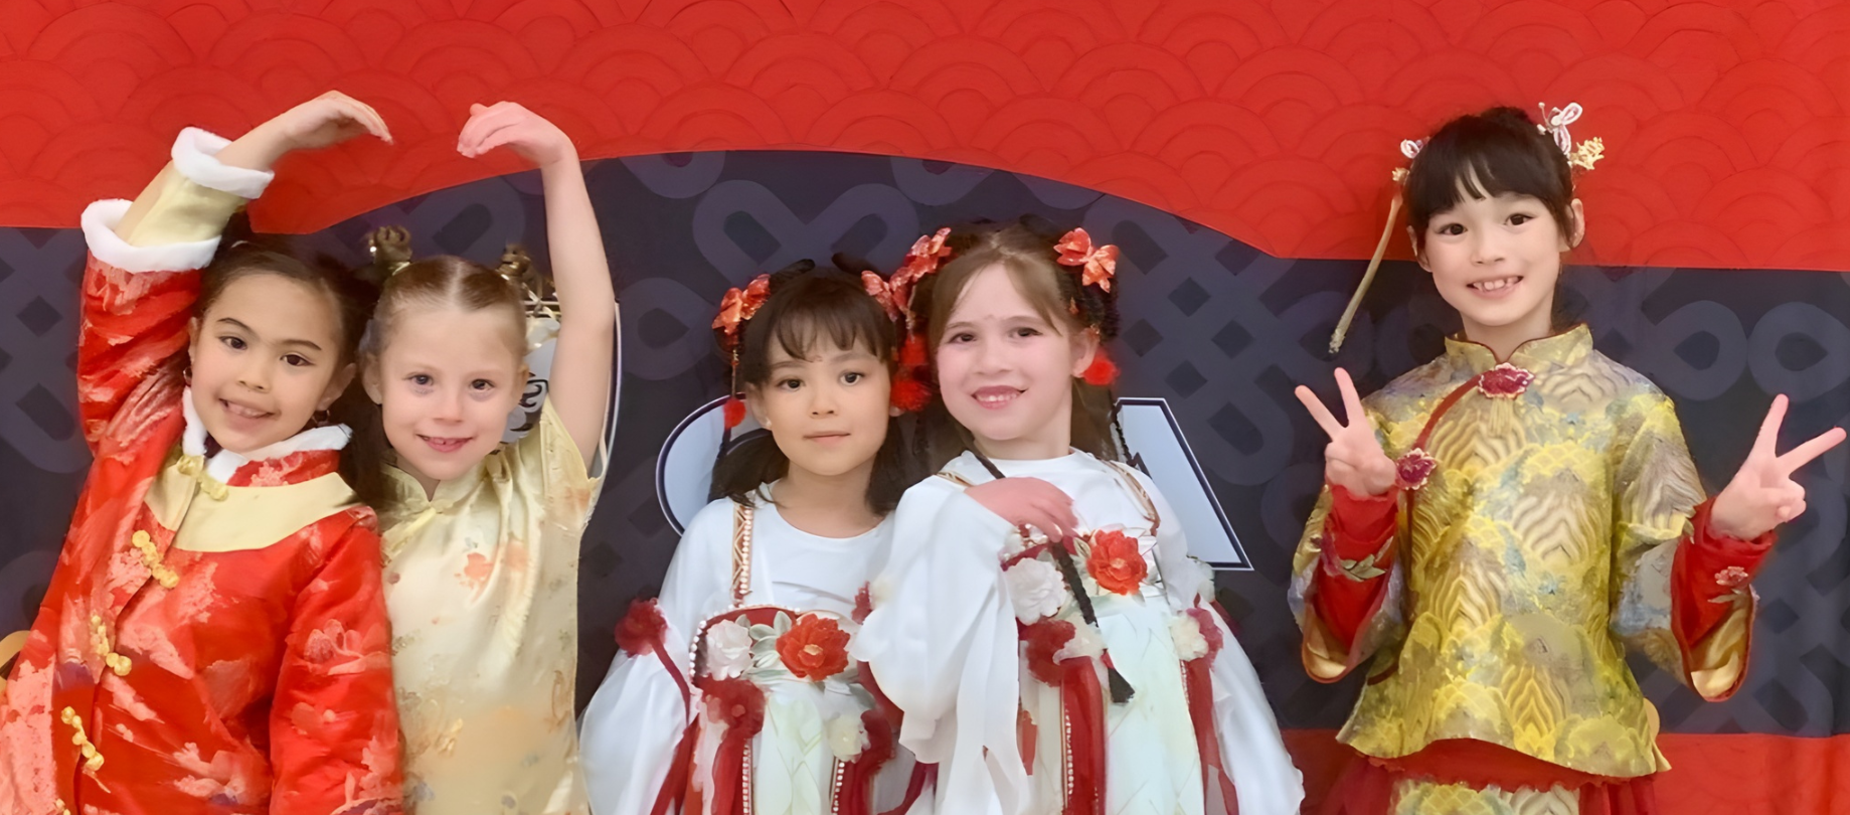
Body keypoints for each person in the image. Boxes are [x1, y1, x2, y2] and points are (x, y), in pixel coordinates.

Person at [1291, 105, 1846, 812]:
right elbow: (1337, 637)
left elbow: (1653, 610)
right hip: (1413, 766)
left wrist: (1725, 535)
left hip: (1577, 770)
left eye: (1516, 218)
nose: (1487, 251)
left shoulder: (1628, 409)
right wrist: (1363, 510)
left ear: (1569, 224)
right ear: (1421, 250)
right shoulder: (1386, 419)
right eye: (1455, 228)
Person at [0, 91, 403, 814]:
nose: (254, 377)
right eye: (234, 340)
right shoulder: (141, 422)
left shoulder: (331, 534)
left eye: (295, 358)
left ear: (337, 383)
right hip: (25, 783)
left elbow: (335, 748)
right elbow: (133, 278)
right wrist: (274, 136)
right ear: (191, 339)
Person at [855, 221, 1304, 815]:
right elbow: (917, 686)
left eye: (1023, 332)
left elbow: (1209, 657)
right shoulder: (941, 501)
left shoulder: (1133, 491)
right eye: (963, 337)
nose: (991, 361)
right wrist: (970, 526)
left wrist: (1262, 781)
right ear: (931, 359)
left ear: (1081, 349)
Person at [581, 259, 925, 815]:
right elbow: (652, 714)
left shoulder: (923, 539)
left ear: (895, 386)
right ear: (759, 403)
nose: (823, 403)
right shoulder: (723, 533)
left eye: (851, 376)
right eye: (793, 382)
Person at [359, 101, 617, 814]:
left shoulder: (541, 492)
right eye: (421, 380)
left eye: (480, 385)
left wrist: (559, 163)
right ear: (375, 378)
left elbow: (590, 325)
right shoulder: (336, 517)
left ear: (519, 386)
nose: (449, 410)